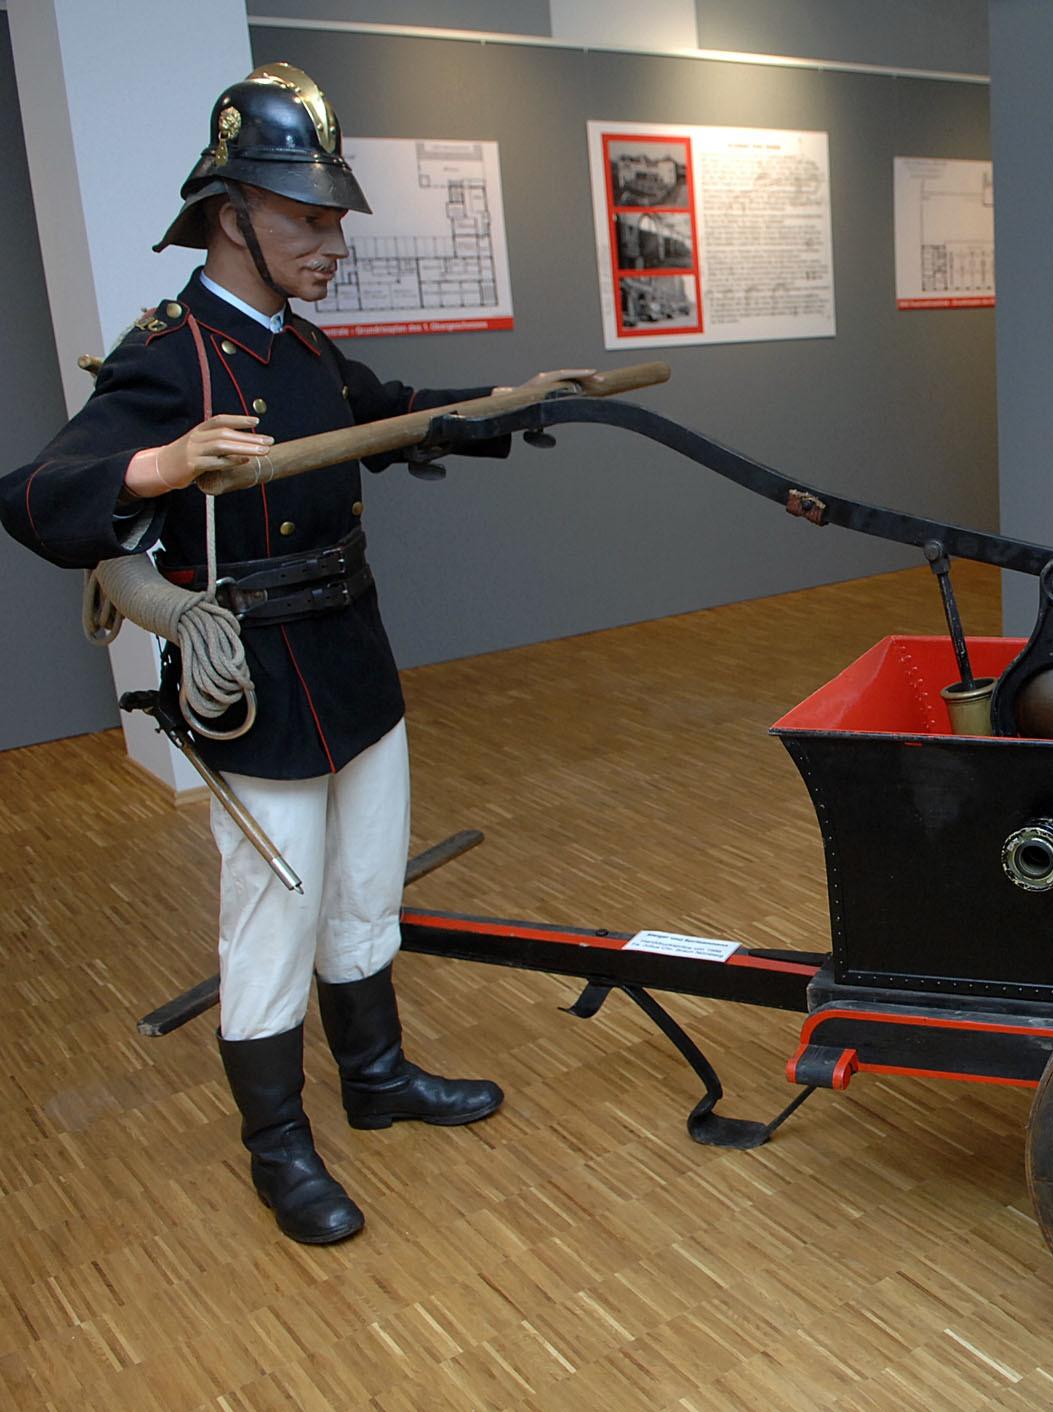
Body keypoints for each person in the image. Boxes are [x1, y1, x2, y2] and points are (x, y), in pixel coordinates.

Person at [1, 63, 587, 1246]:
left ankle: (377, 1083)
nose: (333, 242)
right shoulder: (171, 356)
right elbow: (31, 493)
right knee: (271, 920)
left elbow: (397, 407)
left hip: (353, 662)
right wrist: (154, 468)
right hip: (256, 686)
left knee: (366, 895)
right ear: (232, 217)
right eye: (308, 219)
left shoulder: (306, 348)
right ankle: (278, 1148)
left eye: (333, 218)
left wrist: (521, 399)